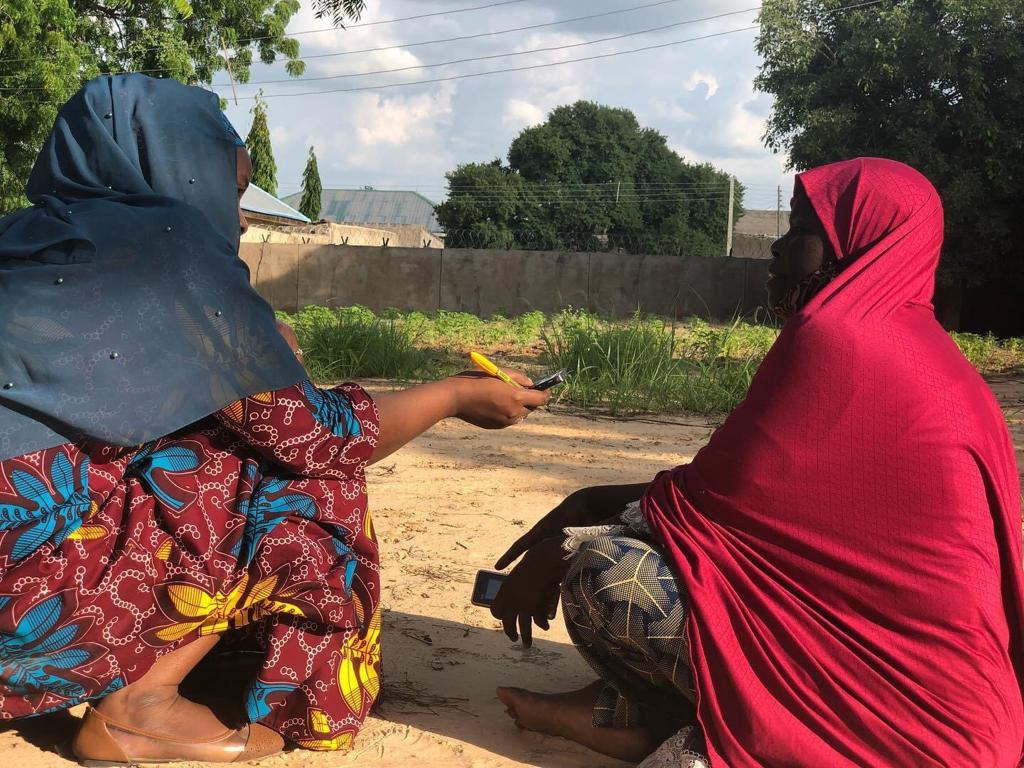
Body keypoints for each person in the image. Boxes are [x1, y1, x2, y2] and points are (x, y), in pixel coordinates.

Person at [0, 74, 549, 765]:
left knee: (192, 448)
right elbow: (317, 437)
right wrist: (454, 396)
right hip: (26, 605)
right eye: (231, 191)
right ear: (177, 170)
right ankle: (141, 708)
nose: (242, 217)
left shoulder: (20, 239)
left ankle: (185, 666)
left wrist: (245, 367)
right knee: (298, 477)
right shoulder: (169, 249)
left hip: (21, 586)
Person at [491, 158, 1024, 767]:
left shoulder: (838, 338)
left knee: (605, 574)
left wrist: (567, 539)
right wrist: (587, 500)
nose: (777, 247)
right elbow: (738, 499)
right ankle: (655, 722)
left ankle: (678, 728)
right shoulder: (937, 359)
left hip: (912, 737)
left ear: (857, 245)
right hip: (976, 727)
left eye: (801, 230)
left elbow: (704, 505)